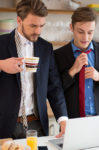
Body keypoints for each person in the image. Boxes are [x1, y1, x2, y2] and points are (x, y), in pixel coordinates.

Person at [0, 0, 68, 139]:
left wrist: (63, 119)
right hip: (5, 126)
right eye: (33, 26)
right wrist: (1, 65)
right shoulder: (1, 43)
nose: (38, 31)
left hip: (37, 125)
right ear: (19, 20)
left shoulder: (46, 48)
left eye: (41, 26)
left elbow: (54, 87)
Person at [54, 7, 99, 118]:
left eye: (90, 32)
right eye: (80, 32)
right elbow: (54, 90)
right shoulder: (58, 55)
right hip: (73, 120)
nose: (86, 37)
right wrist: (72, 70)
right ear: (71, 27)